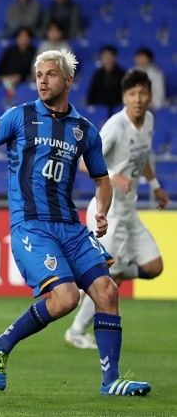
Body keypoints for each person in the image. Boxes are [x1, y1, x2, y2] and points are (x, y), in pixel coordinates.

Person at [0, 49, 152, 396]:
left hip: (71, 226)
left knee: (108, 292)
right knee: (65, 297)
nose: (42, 80)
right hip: (31, 225)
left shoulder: (84, 130)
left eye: (50, 74)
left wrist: (101, 211)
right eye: (38, 75)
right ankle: (1, 344)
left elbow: (102, 179)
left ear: (68, 80)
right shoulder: (19, 117)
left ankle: (111, 382)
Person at [65, 70, 169, 349]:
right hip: (106, 212)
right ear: (124, 97)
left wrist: (155, 185)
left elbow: (143, 154)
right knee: (107, 279)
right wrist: (111, 174)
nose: (138, 99)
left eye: (143, 93)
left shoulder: (148, 120)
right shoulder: (114, 127)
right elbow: (83, 162)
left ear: (149, 96)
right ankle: (76, 331)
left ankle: (113, 271)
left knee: (154, 267)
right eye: (132, 94)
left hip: (129, 212)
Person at [86, 45, 125, 111]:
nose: (107, 60)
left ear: (115, 58)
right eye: (105, 57)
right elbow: (92, 92)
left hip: (117, 108)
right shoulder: (97, 74)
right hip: (100, 107)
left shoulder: (122, 74)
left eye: (110, 57)